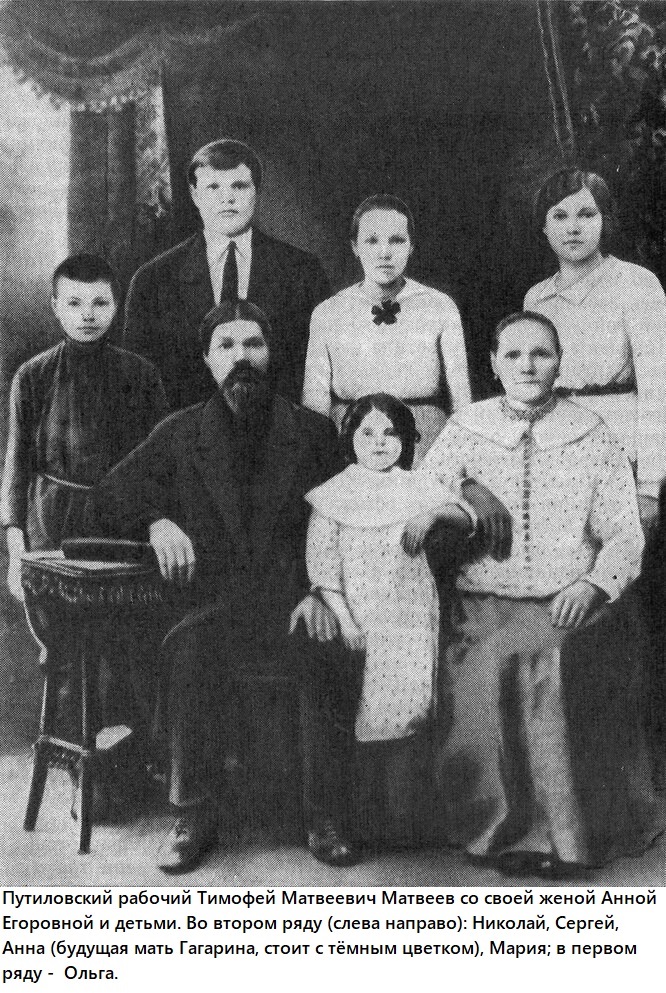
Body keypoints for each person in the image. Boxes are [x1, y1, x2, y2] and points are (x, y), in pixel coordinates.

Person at [86, 300, 360, 873]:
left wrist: (321, 593)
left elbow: (349, 519)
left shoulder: (312, 434)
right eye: (227, 346)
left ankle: (325, 815)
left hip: (294, 602)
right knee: (189, 653)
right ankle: (194, 815)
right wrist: (157, 522)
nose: (242, 358)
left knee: (324, 650)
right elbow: (106, 497)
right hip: (211, 608)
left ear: (271, 354)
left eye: (253, 344)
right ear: (208, 361)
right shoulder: (181, 432)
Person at [417, 311, 659, 876]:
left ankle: (564, 837)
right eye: (514, 354)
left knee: (552, 661)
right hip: (483, 596)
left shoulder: (592, 432)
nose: (527, 365)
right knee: (485, 661)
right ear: (494, 364)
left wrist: (593, 583)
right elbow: (422, 489)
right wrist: (468, 491)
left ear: (559, 363)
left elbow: (624, 531)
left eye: (541, 354)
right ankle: (498, 829)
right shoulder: (467, 426)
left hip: (565, 595)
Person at [305, 394, 475, 844]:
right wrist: (346, 622)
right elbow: (323, 571)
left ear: (405, 439)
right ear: (350, 439)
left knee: (414, 708)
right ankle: (367, 819)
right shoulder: (334, 495)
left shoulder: (416, 487)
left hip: (412, 617)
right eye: (367, 433)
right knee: (369, 713)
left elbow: (467, 517)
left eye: (390, 433)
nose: (379, 442)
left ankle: (410, 818)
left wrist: (432, 514)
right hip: (363, 619)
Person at [1, 253, 168, 598]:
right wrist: (16, 554)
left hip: (123, 525)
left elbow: (161, 463)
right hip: (50, 525)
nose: (87, 315)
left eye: (99, 302)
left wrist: (158, 523)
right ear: (56, 306)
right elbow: (16, 469)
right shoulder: (32, 376)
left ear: (116, 306)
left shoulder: (142, 375)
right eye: (74, 303)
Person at [123, 139, 330, 409]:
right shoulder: (152, 280)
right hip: (185, 429)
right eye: (213, 187)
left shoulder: (303, 271)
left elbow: (319, 374)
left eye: (239, 186)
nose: (227, 198)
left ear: (256, 191)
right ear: (195, 195)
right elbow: (138, 383)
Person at [524, 167, 666, 529]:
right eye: (560, 216)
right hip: (555, 456)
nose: (573, 228)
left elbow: (658, 389)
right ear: (544, 227)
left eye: (587, 214)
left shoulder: (636, 284)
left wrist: (649, 487)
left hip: (621, 450)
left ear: (605, 221)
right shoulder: (537, 299)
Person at [303, 194, 471, 464]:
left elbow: (462, 400)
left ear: (411, 246)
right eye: (372, 241)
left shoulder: (439, 306)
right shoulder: (328, 312)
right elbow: (315, 405)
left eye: (397, 240)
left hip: (425, 440)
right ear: (355, 247)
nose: (384, 253)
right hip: (352, 437)